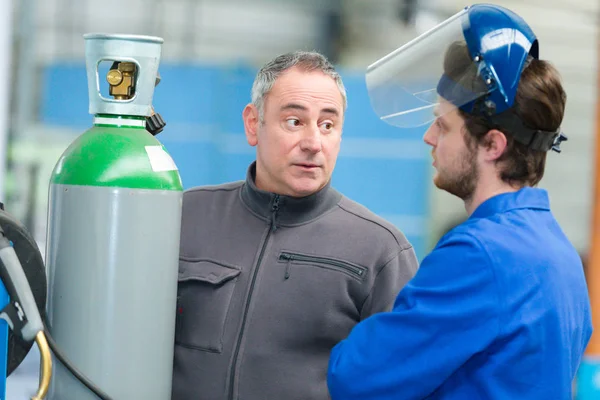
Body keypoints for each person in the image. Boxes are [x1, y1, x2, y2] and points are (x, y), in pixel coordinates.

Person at [327, 4, 592, 400]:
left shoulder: (480, 256)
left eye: (444, 125)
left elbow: (356, 378)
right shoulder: (559, 253)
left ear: (492, 145)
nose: (429, 138)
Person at [171, 51, 419, 400]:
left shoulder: (380, 251)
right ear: (253, 124)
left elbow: (404, 382)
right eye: (294, 122)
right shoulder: (184, 216)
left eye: (327, 125)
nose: (314, 143)